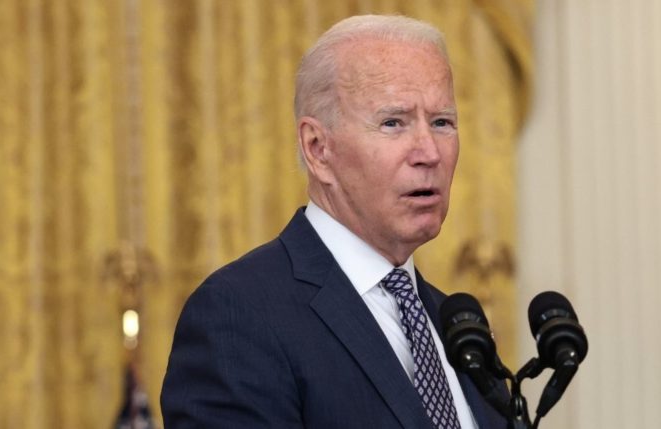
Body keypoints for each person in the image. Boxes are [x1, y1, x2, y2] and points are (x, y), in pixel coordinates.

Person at [160, 15, 508, 429]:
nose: (429, 152)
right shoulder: (239, 315)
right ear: (318, 148)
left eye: (441, 123)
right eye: (393, 123)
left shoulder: (456, 323)